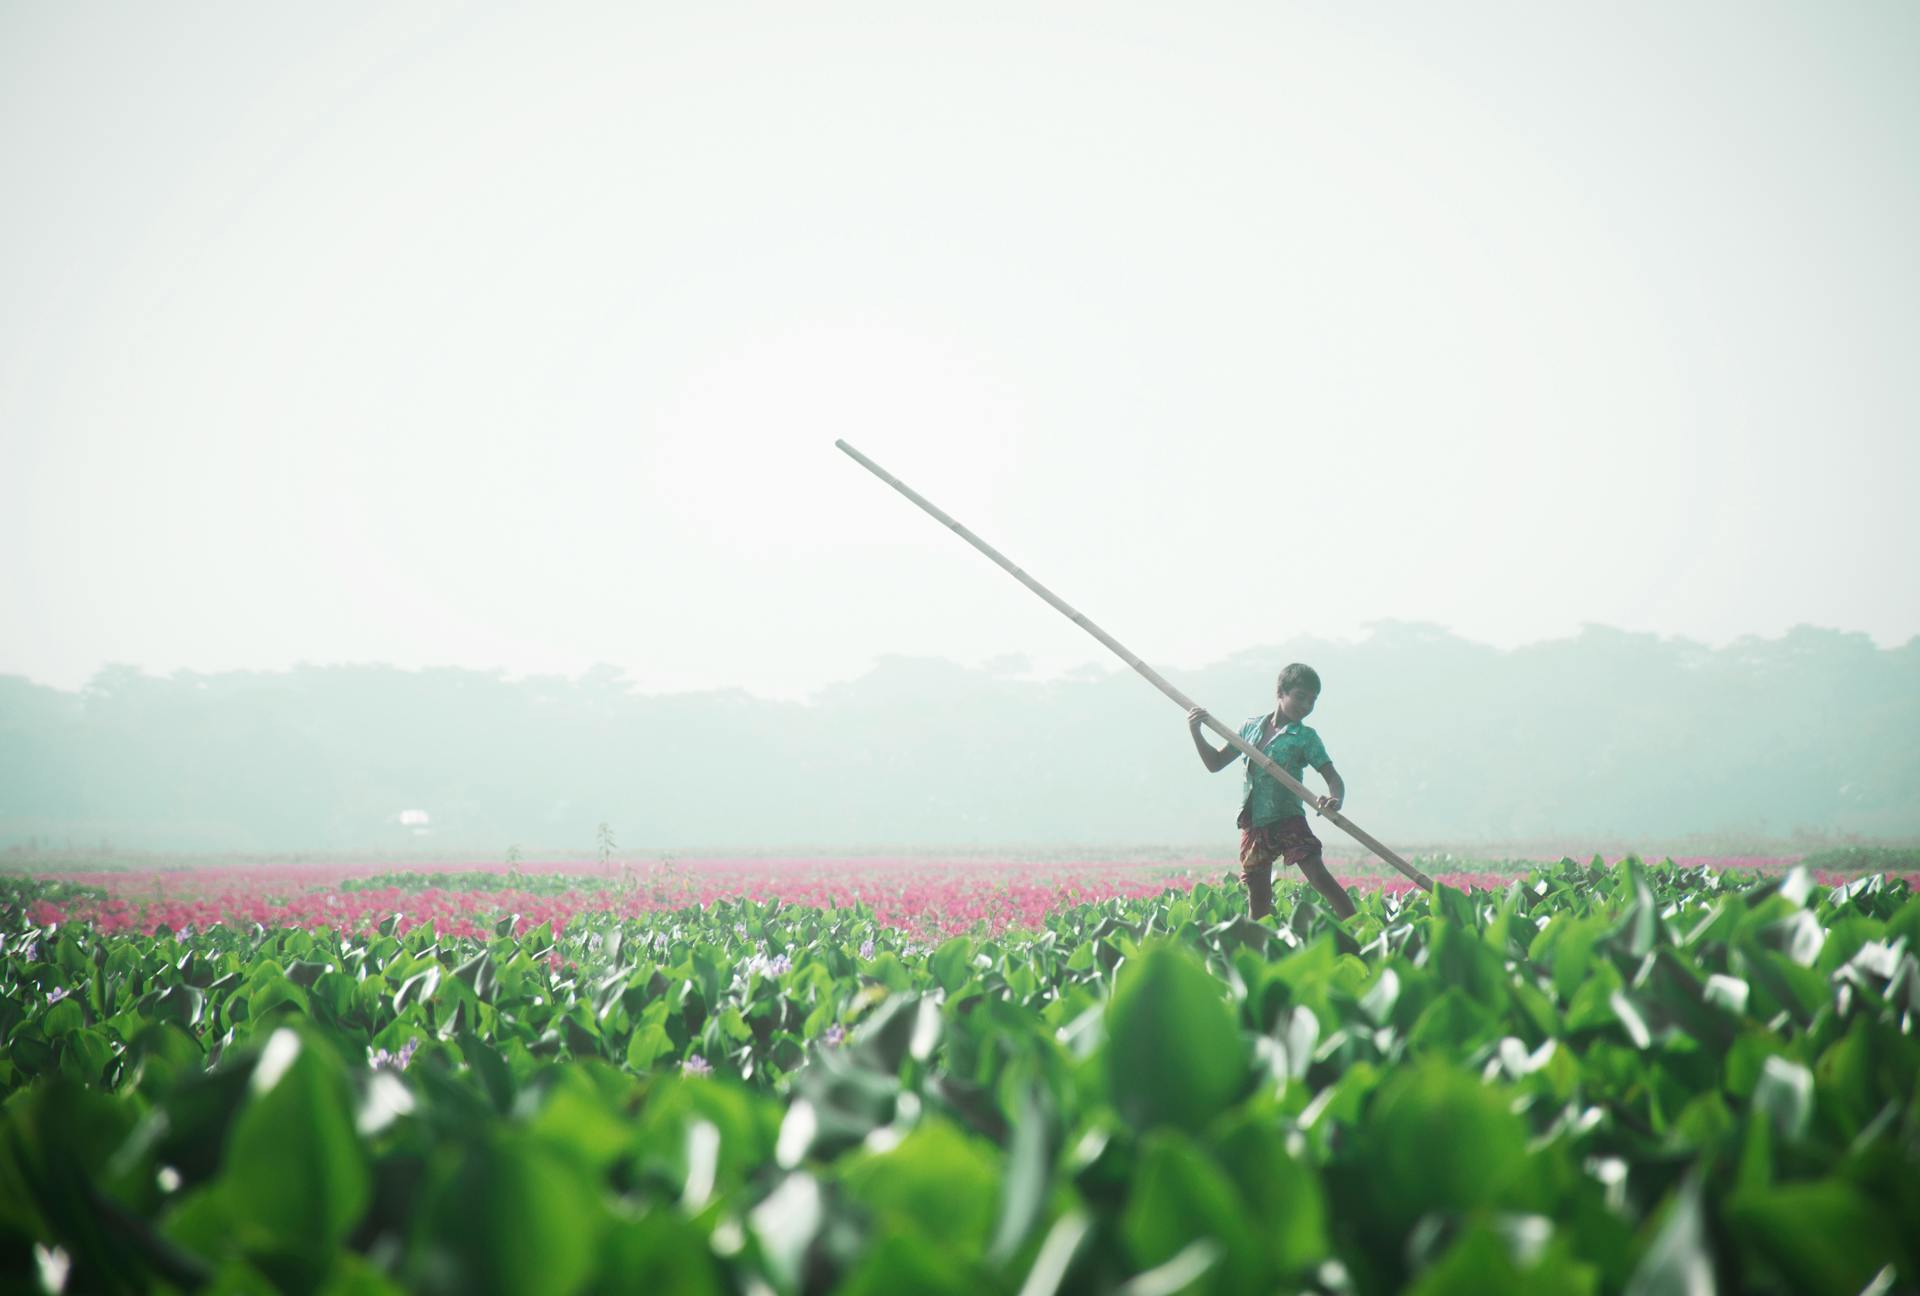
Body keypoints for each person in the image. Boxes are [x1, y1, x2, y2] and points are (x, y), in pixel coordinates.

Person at [1186, 663, 1357, 921]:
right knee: (1259, 894)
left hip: (1289, 818)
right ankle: (1261, 948)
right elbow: (1215, 764)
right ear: (1281, 692)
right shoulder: (1250, 727)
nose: (1306, 706)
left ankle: (1359, 929)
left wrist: (1336, 799)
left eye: (1312, 701)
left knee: (1319, 876)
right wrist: (1196, 731)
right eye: (1300, 697)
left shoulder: (1305, 737)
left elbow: (1333, 778)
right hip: (1255, 821)